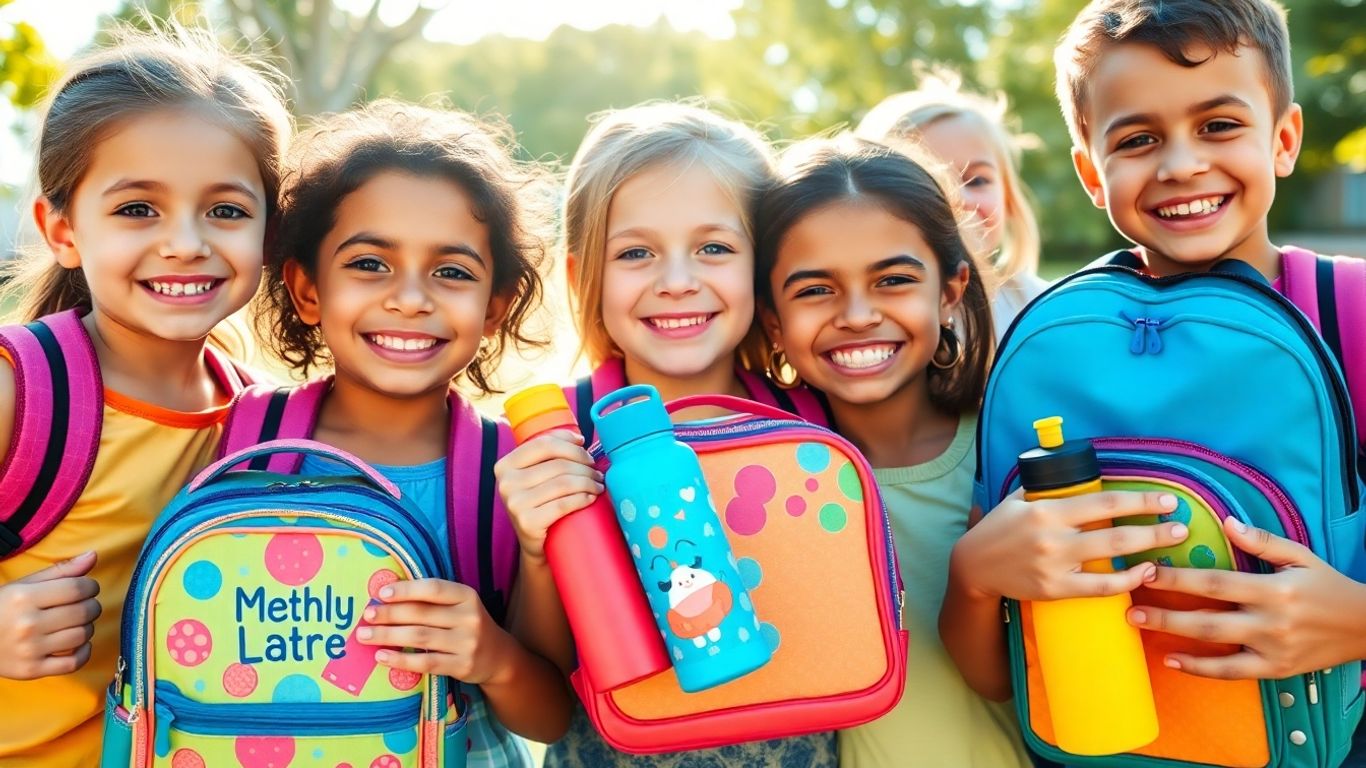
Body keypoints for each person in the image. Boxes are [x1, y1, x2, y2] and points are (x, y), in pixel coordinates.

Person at [497, 102, 838, 768]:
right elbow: (542, 691)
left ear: (762, 266)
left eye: (714, 248)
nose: (677, 282)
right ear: (582, 277)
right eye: (635, 253)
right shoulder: (555, 439)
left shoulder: (812, 424)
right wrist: (540, 548)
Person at [0, 26, 290, 766]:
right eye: (137, 210)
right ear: (62, 229)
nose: (186, 243)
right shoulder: (21, 394)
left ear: (270, 231)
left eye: (226, 210)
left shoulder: (264, 426)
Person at [251, 99, 572, 765]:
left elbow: (550, 716)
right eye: (370, 263)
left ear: (494, 308)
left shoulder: (516, 476)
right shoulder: (246, 439)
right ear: (308, 290)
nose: (411, 297)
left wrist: (493, 657)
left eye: (452, 272)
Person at [754, 134, 1030, 767]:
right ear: (772, 320)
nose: (856, 314)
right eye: (814, 290)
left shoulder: (1008, 460)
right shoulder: (761, 482)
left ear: (950, 289)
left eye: (893, 280)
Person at [858, 68, 1050, 339]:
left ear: (1007, 199)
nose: (959, 198)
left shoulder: (1041, 308)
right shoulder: (860, 314)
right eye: (931, 183)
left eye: (977, 181)